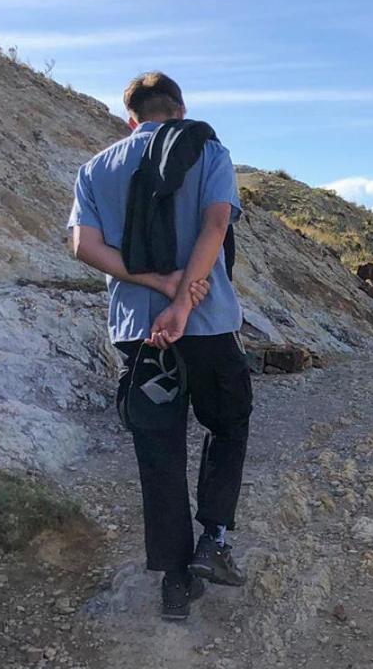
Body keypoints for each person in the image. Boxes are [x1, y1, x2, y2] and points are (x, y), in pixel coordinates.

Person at [68, 72, 252, 620]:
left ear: (131, 119)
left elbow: (83, 245)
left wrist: (158, 285)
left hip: (137, 331)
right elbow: (215, 226)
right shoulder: (208, 149)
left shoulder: (95, 168)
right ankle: (213, 540)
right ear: (180, 108)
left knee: (159, 448)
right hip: (207, 323)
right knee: (228, 423)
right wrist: (184, 300)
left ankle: (175, 584)